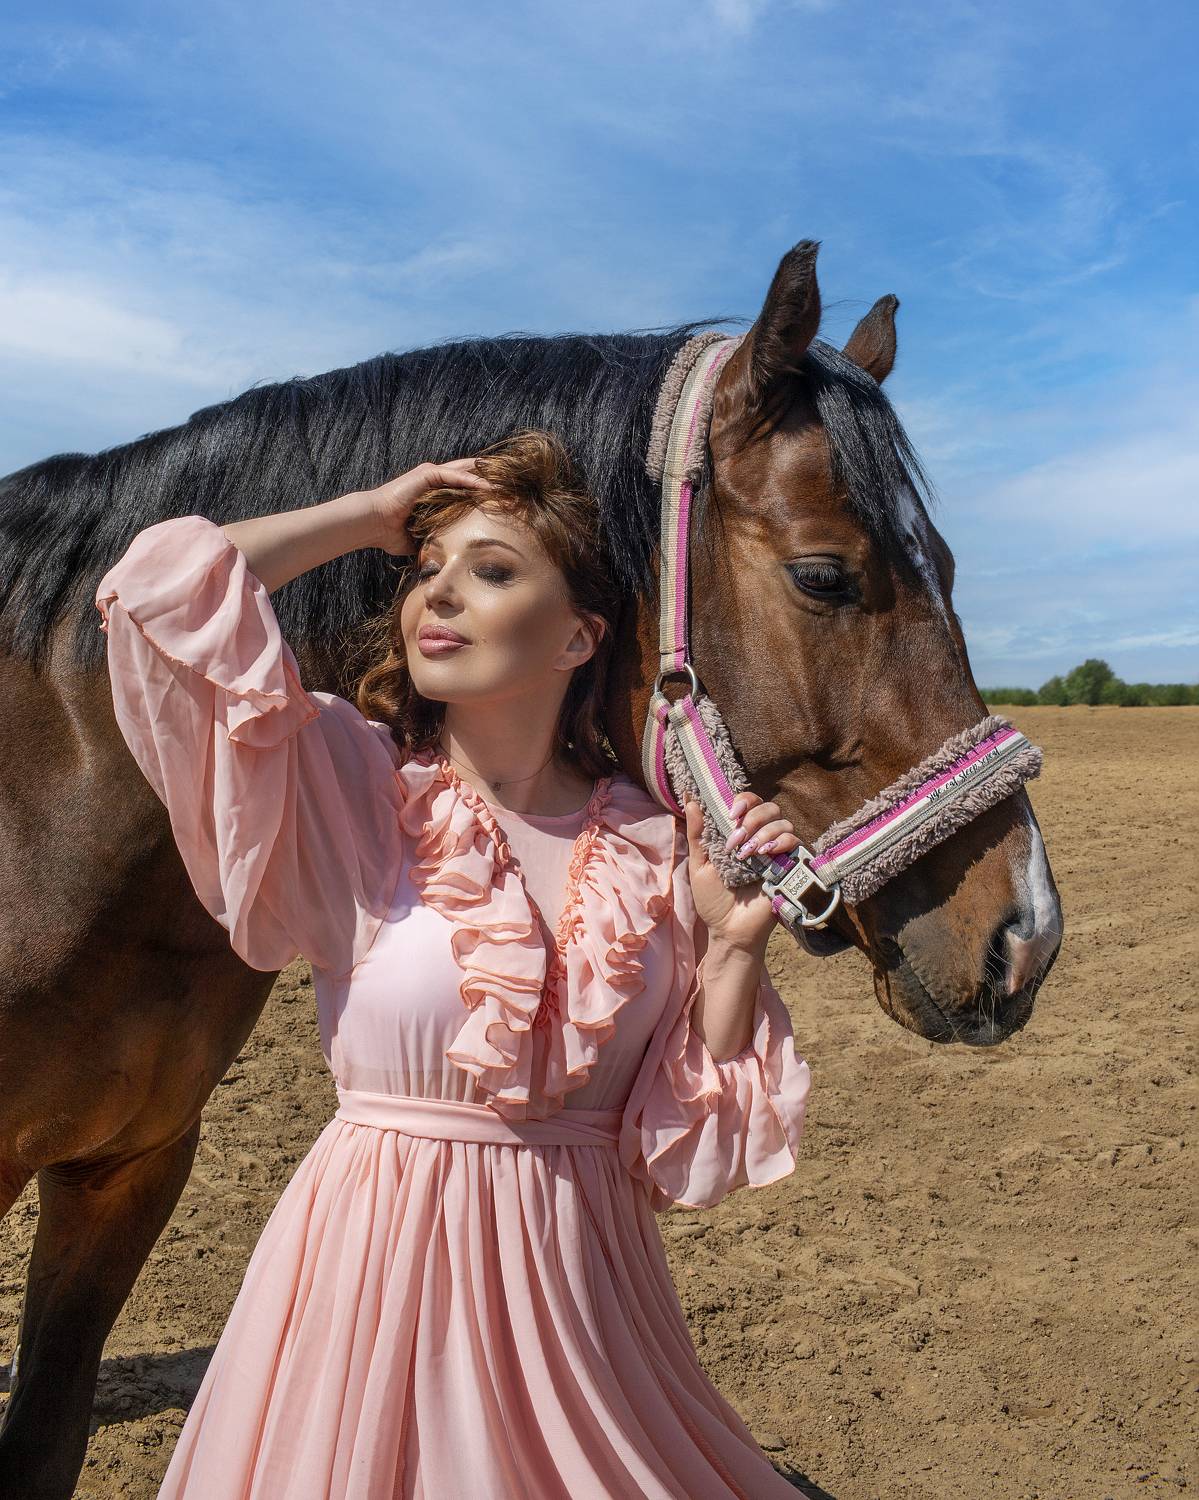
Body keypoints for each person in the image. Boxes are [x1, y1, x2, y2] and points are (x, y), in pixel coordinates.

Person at [94, 429, 813, 1499]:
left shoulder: (655, 844)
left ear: (578, 637)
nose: (437, 594)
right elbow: (160, 590)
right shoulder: (354, 793)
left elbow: (682, 1146)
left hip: (590, 1317)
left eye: (491, 571)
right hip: (369, 1290)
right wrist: (369, 516)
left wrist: (734, 944)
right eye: (427, 571)